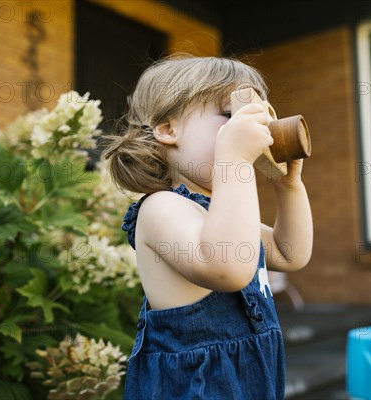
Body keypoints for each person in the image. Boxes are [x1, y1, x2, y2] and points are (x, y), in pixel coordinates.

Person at [102, 55, 313, 400]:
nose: (250, 130)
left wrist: (289, 188)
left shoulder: (219, 212)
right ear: (169, 129)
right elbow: (228, 268)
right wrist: (234, 160)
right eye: (231, 116)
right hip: (197, 387)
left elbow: (290, 254)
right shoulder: (161, 208)